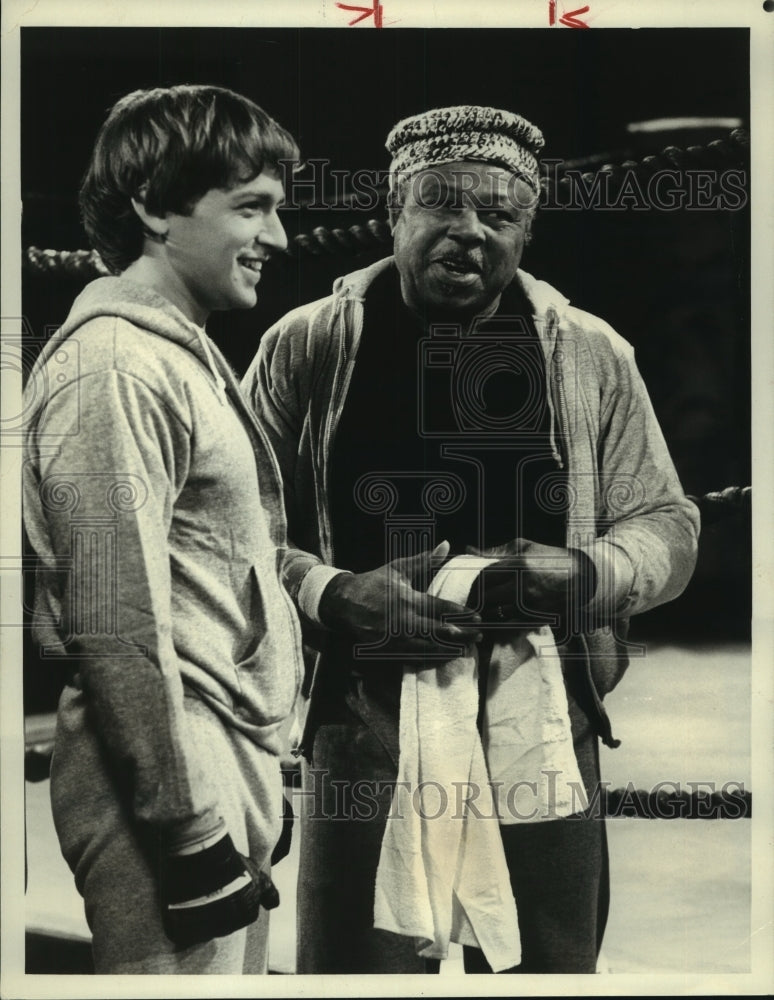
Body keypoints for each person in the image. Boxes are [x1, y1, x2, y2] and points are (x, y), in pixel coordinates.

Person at [243, 105, 700, 974]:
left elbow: (669, 525)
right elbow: (232, 532)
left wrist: (586, 571)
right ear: (393, 210)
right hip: (362, 700)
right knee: (355, 974)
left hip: (543, 698)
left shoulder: (591, 352)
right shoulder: (308, 344)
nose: (468, 232)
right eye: (441, 205)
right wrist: (334, 593)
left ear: (527, 229)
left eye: (498, 215)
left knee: (547, 971)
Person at [22, 84, 305, 974]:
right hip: (167, 776)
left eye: (279, 209)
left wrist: (254, 777)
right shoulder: (113, 365)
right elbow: (117, 622)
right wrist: (190, 826)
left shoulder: (172, 350)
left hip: (217, 753)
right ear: (152, 205)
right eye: (251, 208)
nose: (279, 238)